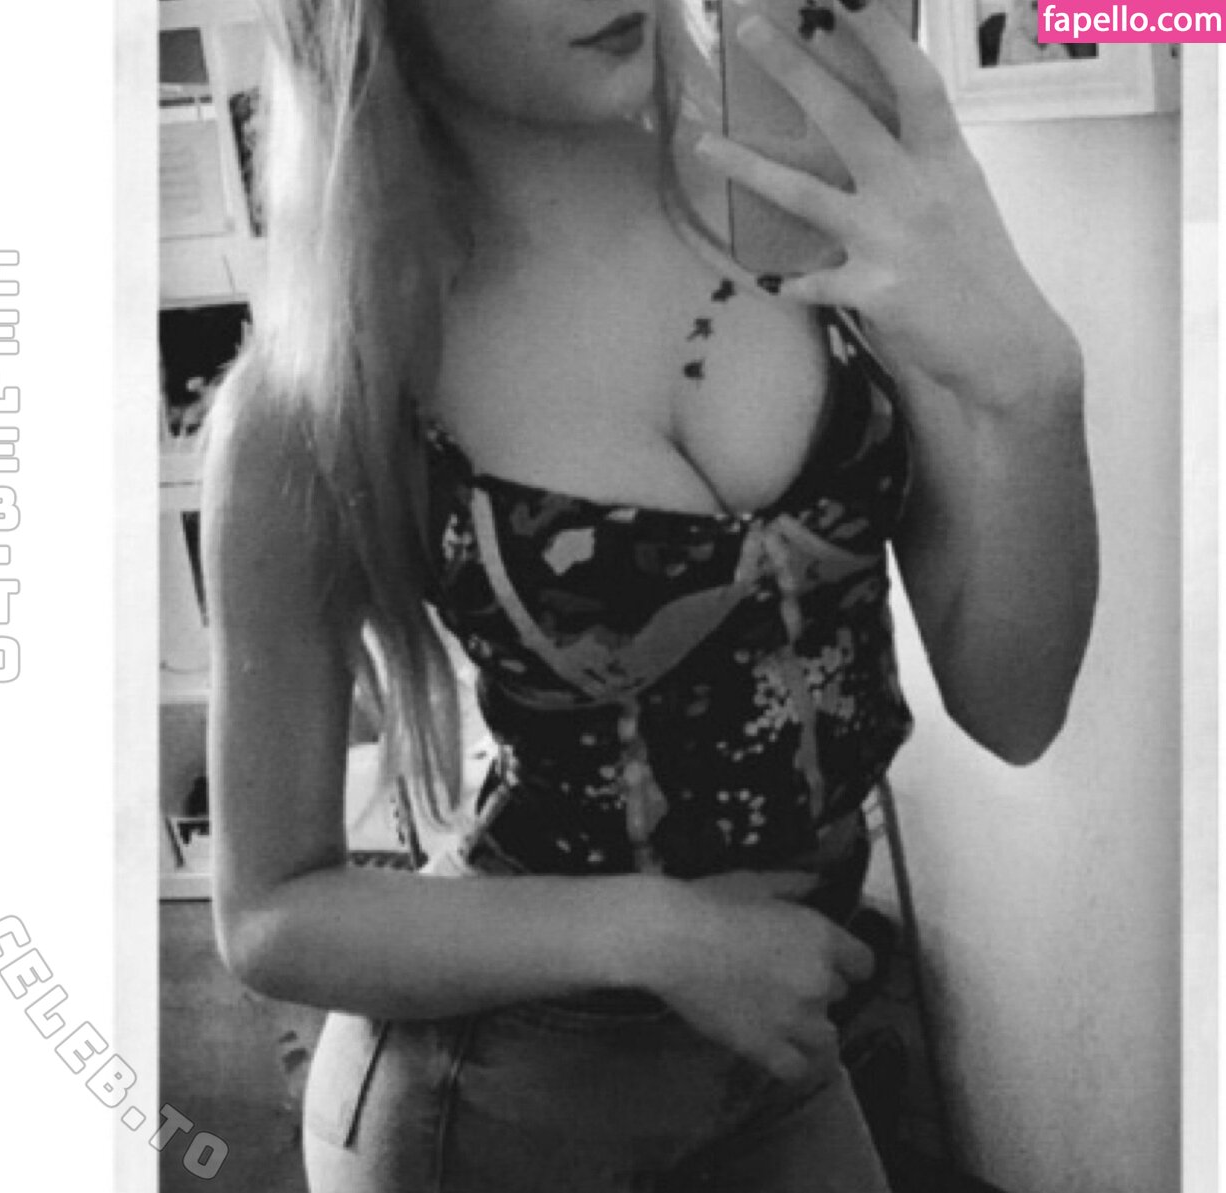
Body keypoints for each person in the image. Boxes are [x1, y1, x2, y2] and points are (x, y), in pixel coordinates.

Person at [201, 1, 1098, 1189]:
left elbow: (1014, 706)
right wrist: (657, 935)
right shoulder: (324, 386)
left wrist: (1032, 388)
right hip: (495, 1097)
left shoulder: (822, 222)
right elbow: (268, 915)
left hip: (780, 1043)